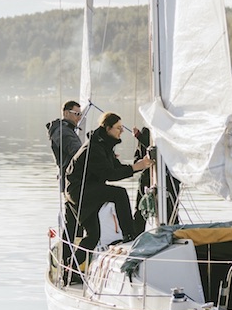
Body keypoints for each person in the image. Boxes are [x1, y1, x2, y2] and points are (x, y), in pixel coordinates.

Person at [65, 112, 151, 259]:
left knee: (93, 236)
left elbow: (116, 169)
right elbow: (110, 174)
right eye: (118, 128)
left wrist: (140, 165)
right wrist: (136, 167)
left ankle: (70, 269)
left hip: (82, 190)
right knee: (119, 194)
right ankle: (130, 235)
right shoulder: (94, 148)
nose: (122, 131)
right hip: (79, 190)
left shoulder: (103, 145)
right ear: (108, 128)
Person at [47, 100, 83, 279]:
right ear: (67, 113)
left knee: (73, 224)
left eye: (80, 114)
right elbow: (76, 152)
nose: (79, 117)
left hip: (71, 182)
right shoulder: (62, 132)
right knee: (74, 225)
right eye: (77, 114)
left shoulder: (65, 130)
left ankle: (69, 264)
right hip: (71, 183)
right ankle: (70, 265)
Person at [132, 126, 180, 230]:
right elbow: (137, 160)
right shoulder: (146, 131)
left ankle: (174, 234)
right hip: (147, 178)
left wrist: (140, 137)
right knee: (141, 212)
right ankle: (134, 237)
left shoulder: (174, 130)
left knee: (172, 213)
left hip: (170, 179)